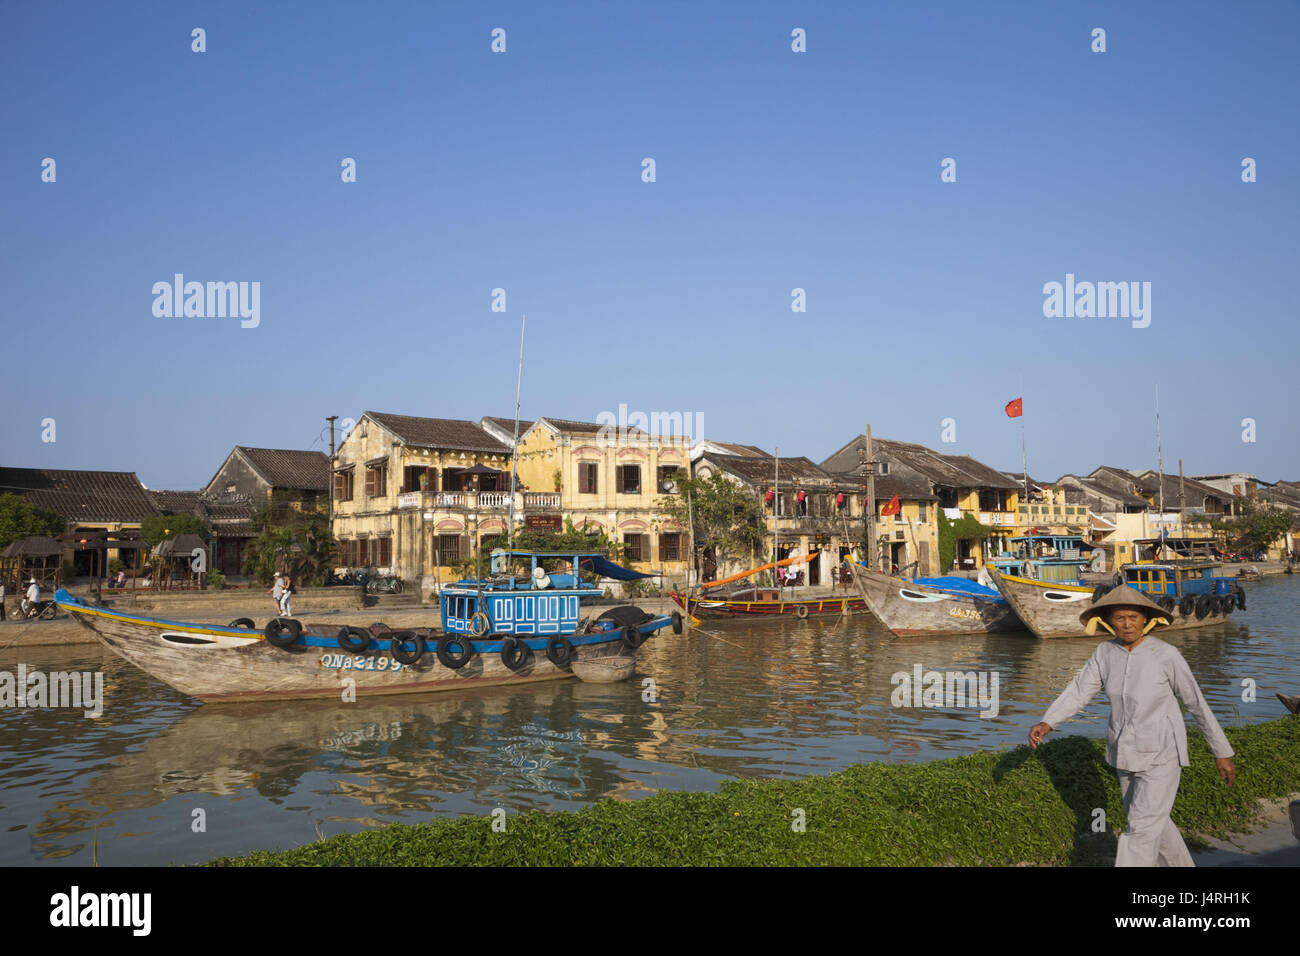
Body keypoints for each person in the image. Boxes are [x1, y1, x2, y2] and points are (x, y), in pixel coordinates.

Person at [1028, 587, 1235, 867]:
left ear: (1146, 619)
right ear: (1109, 620)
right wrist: (1048, 721)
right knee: (1154, 826)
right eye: (1120, 618)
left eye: (1133, 617)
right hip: (1123, 752)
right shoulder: (1105, 652)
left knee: (1140, 829)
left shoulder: (1166, 655)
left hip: (1163, 753)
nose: (1127, 624)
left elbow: (1196, 703)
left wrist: (1221, 750)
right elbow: (1080, 691)